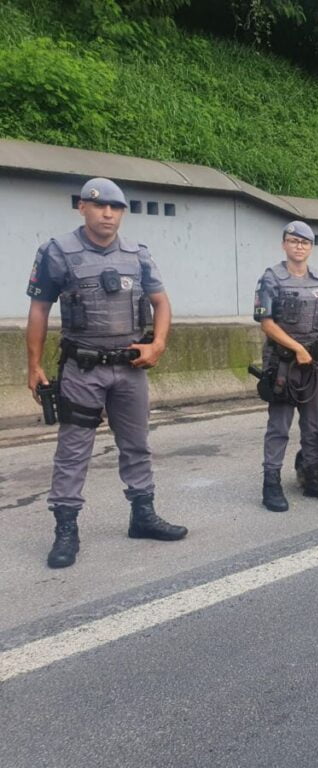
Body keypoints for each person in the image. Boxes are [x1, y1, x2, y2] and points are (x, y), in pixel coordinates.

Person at [25, 178, 186, 569]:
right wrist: (33, 364)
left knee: (137, 444)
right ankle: (66, 529)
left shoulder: (138, 255)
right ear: (83, 207)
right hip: (82, 369)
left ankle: (142, 515)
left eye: (116, 208)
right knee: (73, 450)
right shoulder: (56, 252)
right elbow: (39, 310)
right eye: (99, 206)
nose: (108, 214)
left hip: (131, 369)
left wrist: (158, 345)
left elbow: (161, 303)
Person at [253, 221, 318, 511]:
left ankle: (312, 478)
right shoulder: (271, 278)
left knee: (313, 424)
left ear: (311, 247)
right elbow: (266, 323)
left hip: (316, 365)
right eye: (293, 241)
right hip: (283, 365)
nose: (299, 246)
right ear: (284, 244)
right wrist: (297, 348)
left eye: (304, 242)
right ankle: (271, 485)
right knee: (279, 426)